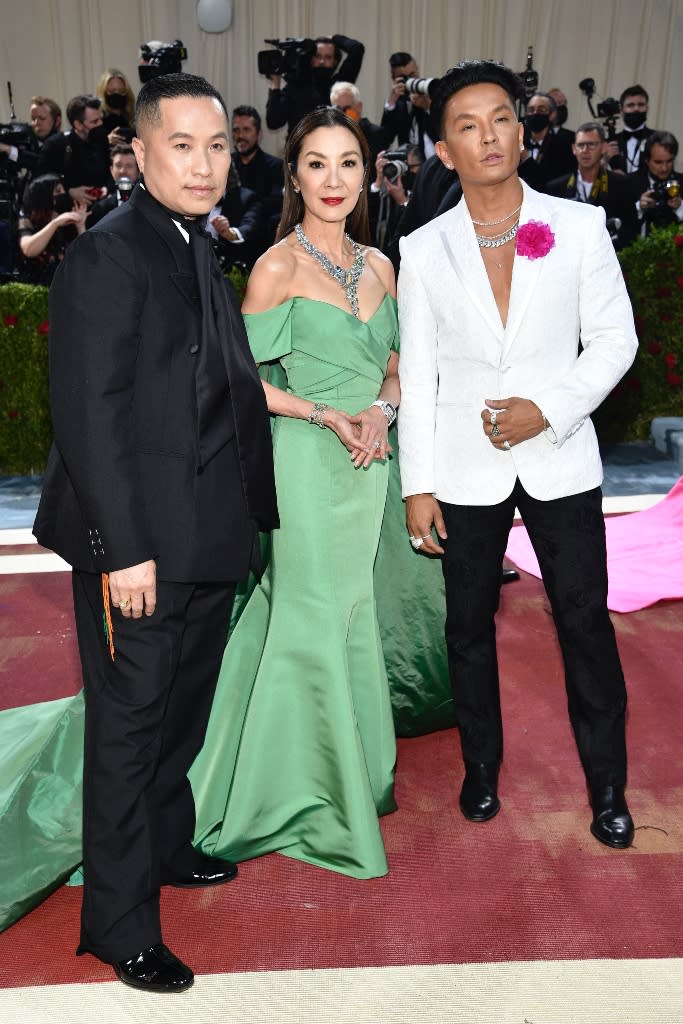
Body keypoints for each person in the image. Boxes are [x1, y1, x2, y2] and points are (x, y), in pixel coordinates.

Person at [32, 72, 278, 992]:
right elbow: (89, 418)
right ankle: (120, 921)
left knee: (180, 712)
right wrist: (123, 550)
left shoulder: (193, 242)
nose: (205, 163)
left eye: (217, 145)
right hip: (135, 547)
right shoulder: (111, 252)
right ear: (138, 152)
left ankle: (168, 846)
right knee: (130, 731)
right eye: (183, 145)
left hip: (207, 534)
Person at [397, 60, 638, 850]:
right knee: (466, 627)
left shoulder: (575, 225)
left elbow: (613, 339)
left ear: (521, 127)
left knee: (583, 624)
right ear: (443, 148)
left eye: (498, 117)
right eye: (466, 125)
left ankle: (608, 787)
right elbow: (422, 371)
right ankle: (480, 771)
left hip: (560, 457)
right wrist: (417, 484)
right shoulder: (423, 248)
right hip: (463, 468)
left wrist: (551, 409)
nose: (487, 136)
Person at [190, 105, 399, 880]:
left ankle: (345, 775)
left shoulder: (381, 266)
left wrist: (381, 409)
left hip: (368, 464)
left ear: (367, 173)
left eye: (349, 162)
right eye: (317, 163)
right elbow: (238, 380)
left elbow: (397, 362)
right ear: (294, 175)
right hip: (308, 463)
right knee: (308, 613)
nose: (334, 179)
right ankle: (293, 797)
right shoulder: (277, 264)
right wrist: (323, 413)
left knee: (350, 614)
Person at [547, 121, 638, 250]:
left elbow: (631, 229)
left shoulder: (621, 185)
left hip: (608, 256)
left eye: (591, 145)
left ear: (604, 147)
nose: (585, 150)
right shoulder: (556, 188)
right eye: (581, 145)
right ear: (574, 149)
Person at [265, 34, 364, 135]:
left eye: (328, 57)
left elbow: (357, 49)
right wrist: (275, 84)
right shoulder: (296, 86)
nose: (322, 61)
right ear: (311, 59)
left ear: (335, 62)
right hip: (300, 149)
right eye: (317, 56)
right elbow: (273, 122)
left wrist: (334, 38)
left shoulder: (340, 86)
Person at [35, 94, 110, 206]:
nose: (100, 124)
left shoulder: (102, 140)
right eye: (94, 122)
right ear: (78, 125)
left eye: (101, 119)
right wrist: (69, 192)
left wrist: (106, 189)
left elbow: (111, 171)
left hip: (102, 209)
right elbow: (41, 184)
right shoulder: (55, 146)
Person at [17, 173, 88, 283]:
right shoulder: (27, 220)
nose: (63, 195)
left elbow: (88, 257)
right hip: (36, 285)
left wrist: (80, 226)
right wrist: (54, 224)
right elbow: (29, 249)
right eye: (58, 191)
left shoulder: (67, 220)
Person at [626, 130, 683, 234]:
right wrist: (639, 207)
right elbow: (620, 220)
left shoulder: (681, 182)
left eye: (669, 161)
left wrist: (680, 208)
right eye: (658, 162)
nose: (664, 168)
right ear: (647, 160)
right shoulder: (629, 182)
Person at [381, 52, 436, 158]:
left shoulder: (431, 92)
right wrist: (391, 102)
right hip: (409, 168)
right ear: (394, 79)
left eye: (412, 75)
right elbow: (384, 140)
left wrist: (429, 107)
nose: (409, 81)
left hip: (437, 165)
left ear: (417, 70)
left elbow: (446, 134)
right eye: (403, 78)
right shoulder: (397, 104)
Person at [87, 143, 139, 226]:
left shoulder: (151, 206)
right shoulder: (101, 208)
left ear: (138, 171)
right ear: (111, 170)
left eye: (129, 166)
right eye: (118, 166)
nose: (123, 171)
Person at [607, 85, 654, 174]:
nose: (636, 109)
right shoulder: (610, 141)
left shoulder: (657, 139)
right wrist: (604, 160)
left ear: (647, 108)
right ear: (621, 110)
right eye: (630, 105)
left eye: (641, 105)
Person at [96, 68, 136, 145]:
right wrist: (106, 140)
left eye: (121, 91)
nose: (117, 94)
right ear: (103, 92)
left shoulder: (132, 118)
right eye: (111, 91)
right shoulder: (97, 119)